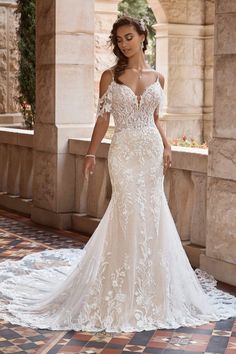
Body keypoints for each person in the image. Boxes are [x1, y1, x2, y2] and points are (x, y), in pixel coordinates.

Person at [0, 16, 235, 333]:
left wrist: (166, 145)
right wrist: (90, 153)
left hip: (150, 151)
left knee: (151, 213)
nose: (123, 44)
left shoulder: (159, 78)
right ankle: (119, 286)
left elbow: (154, 118)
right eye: (119, 39)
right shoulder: (109, 76)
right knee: (126, 209)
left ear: (142, 37)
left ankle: (151, 288)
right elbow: (102, 119)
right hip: (123, 151)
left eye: (128, 37)